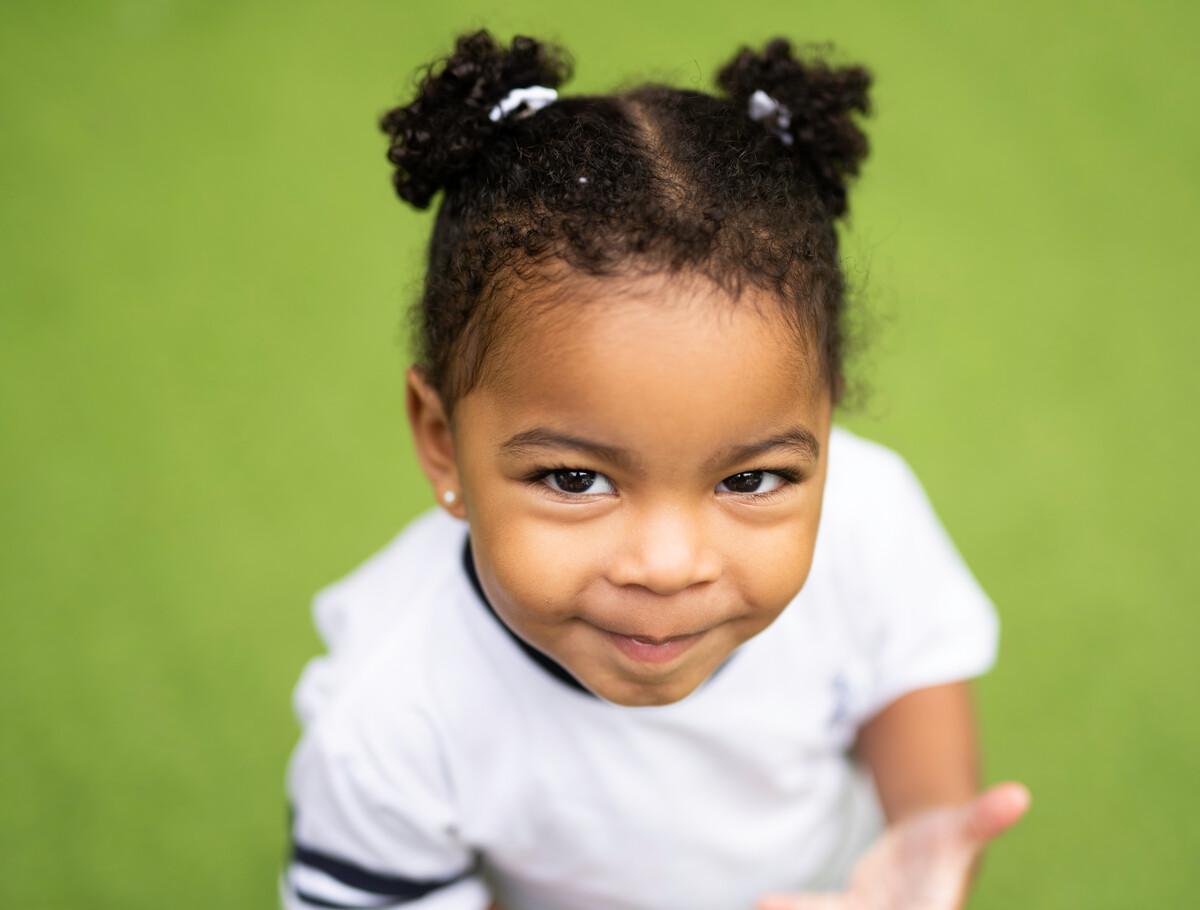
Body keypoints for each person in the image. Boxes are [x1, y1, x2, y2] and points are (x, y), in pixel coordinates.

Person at [279, 29, 1030, 910]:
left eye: (749, 481)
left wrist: (921, 848)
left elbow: (909, 683)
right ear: (441, 438)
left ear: (824, 423)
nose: (669, 565)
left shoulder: (869, 514)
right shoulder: (390, 724)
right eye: (574, 479)